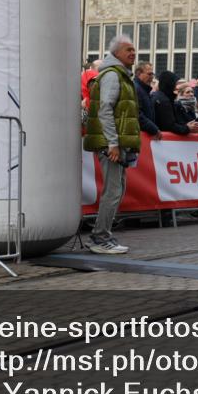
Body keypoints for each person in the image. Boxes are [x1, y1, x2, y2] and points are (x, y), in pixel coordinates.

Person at [83, 35, 140, 254]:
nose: (133, 53)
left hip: (114, 142)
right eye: (128, 50)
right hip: (111, 144)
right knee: (113, 191)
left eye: (134, 50)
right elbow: (105, 108)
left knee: (117, 190)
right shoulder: (112, 76)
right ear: (116, 53)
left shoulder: (120, 75)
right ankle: (99, 238)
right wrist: (113, 143)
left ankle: (103, 235)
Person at [133, 61, 161, 140]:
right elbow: (137, 114)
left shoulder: (144, 90)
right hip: (139, 137)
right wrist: (153, 129)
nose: (152, 77)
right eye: (149, 74)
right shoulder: (136, 89)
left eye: (153, 74)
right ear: (139, 73)